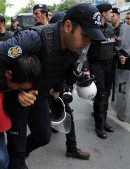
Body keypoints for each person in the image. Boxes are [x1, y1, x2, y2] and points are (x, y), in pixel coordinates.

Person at [0, 3, 105, 169]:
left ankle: (17, 155)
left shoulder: (75, 47)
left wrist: (58, 90)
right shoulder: (32, 39)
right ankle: (13, 159)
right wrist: (11, 87)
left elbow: (61, 69)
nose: (88, 42)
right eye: (85, 35)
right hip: (18, 101)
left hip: (40, 98)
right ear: (68, 26)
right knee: (16, 155)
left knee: (43, 136)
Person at [49, 12, 90, 160]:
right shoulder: (43, 42)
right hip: (43, 88)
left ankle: (71, 148)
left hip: (59, 88)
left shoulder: (73, 49)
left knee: (67, 113)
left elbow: (74, 66)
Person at [85, 3, 123, 139]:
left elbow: (114, 46)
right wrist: (86, 69)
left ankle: (103, 121)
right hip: (97, 66)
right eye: (110, 12)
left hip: (109, 65)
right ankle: (99, 126)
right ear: (102, 13)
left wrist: (120, 56)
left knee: (106, 94)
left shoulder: (109, 28)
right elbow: (85, 52)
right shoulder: (92, 29)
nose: (112, 15)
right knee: (100, 95)